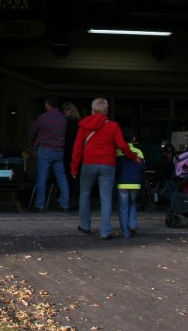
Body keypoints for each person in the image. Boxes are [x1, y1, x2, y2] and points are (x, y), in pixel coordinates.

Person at [72, 97, 141, 240]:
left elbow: (77, 148)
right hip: (108, 164)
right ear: (106, 110)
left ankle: (85, 225)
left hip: (89, 163)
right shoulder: (113, 126)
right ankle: (105, 231)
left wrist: (74, 167)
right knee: (106, 198)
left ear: (92, 110)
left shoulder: (84, 125)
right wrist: (134, 156)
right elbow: (122, 146)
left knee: (84, 194)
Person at [27, 96, 70, 212]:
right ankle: (65, 205)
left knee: (42, 177)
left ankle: (40, 205)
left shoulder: (43, 117)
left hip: (45, 150)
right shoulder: (63, 119)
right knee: (61, 178)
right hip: (59, 151)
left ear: (48, 104)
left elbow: (32, 129)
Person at [115, 127, 145, 238]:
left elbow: (116, 169)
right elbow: (143, 168)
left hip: (122, 184)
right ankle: (132, 224)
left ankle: (125, 233)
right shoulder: (139, 152)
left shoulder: (118, 151)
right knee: (132, 204)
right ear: (133, 139)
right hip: (135, 184)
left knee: (123, 208)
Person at [61, 101, 82, 207]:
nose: (65, 112)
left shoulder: (71, 124)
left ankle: (73, 201)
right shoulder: (79, 123)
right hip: (77, 154)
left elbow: (68, 141)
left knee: (71, 178)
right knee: (76, 179)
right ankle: (77, 201)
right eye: (64, 110)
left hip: (71, 154)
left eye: (67, 109)